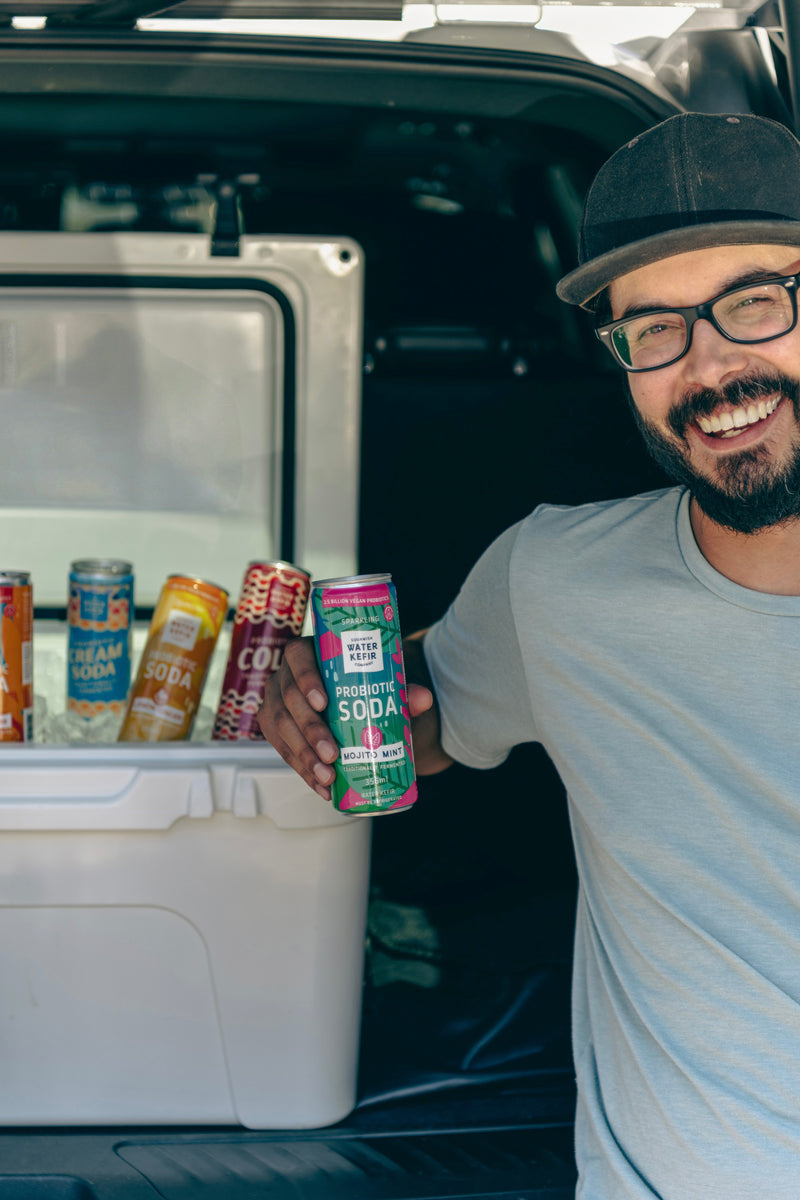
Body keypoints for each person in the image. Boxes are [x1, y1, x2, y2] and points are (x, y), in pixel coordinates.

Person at [258, 111, 800, 1198]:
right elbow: (418, 722)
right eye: (650, 330)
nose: (707, 367)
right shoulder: (554, 581)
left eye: (752, 302)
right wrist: (311, 696)